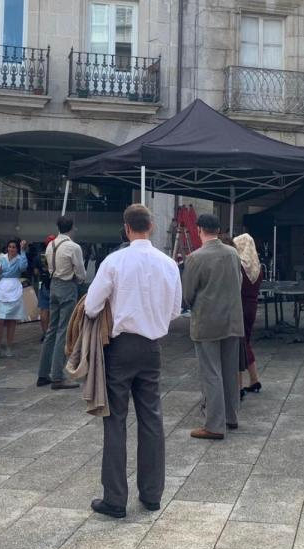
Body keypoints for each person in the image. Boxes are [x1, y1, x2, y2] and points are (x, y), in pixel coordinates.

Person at [85, 204, 182, 518]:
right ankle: (152, 494)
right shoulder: (168, 264)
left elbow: (91, 306)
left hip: (121, 346)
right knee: (151, 417)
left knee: (115, 419)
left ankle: (115, 498)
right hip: (152, 346)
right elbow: (175, 311)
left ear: (126, 228)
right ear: (151, 226)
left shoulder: (114, 261)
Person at [184, 214, 244, 440]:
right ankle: (231, 415)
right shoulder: (233, 253)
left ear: (199, 229)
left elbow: (188, 294)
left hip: (207, 320)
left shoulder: (195, 257)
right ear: (218, 230)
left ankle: (215, 424)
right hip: (232, 318)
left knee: (211, 372)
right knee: (230, 370)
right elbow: (238, 282)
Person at [37, 216, 85, 390]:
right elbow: (80, 272)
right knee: (63, 330)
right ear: (72, 228)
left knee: (51, 330)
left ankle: (43, 373)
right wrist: (79, 280)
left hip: (54, 285)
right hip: (67, 285)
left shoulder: (51, 245)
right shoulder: (73, 247)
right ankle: (58, 375)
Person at [232, 233, 264, 398]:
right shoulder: (257, 266)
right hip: (252, 306)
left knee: (239, 346)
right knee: (245, 343)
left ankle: (238, 387)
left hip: (240, 306)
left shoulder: (238, 266)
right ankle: (254, 379)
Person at [0, 239, 29, 358]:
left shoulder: (20, 258)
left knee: (12, 320)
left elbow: (23, 268)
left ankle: (9, 346)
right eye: (10, 247)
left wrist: (23, 251)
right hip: (1, 288)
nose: (11, 249)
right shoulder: (1, 258)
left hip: (14, 288)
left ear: (17, 249)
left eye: (14, 247)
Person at [36, 234, 54, 339]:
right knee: (54, 310)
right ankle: (52, 334)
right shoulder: (56, 255)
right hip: (55, 284)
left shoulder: (40, 256)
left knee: (44, 310)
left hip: (43, 284)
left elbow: (35, 272)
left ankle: (45, 333)